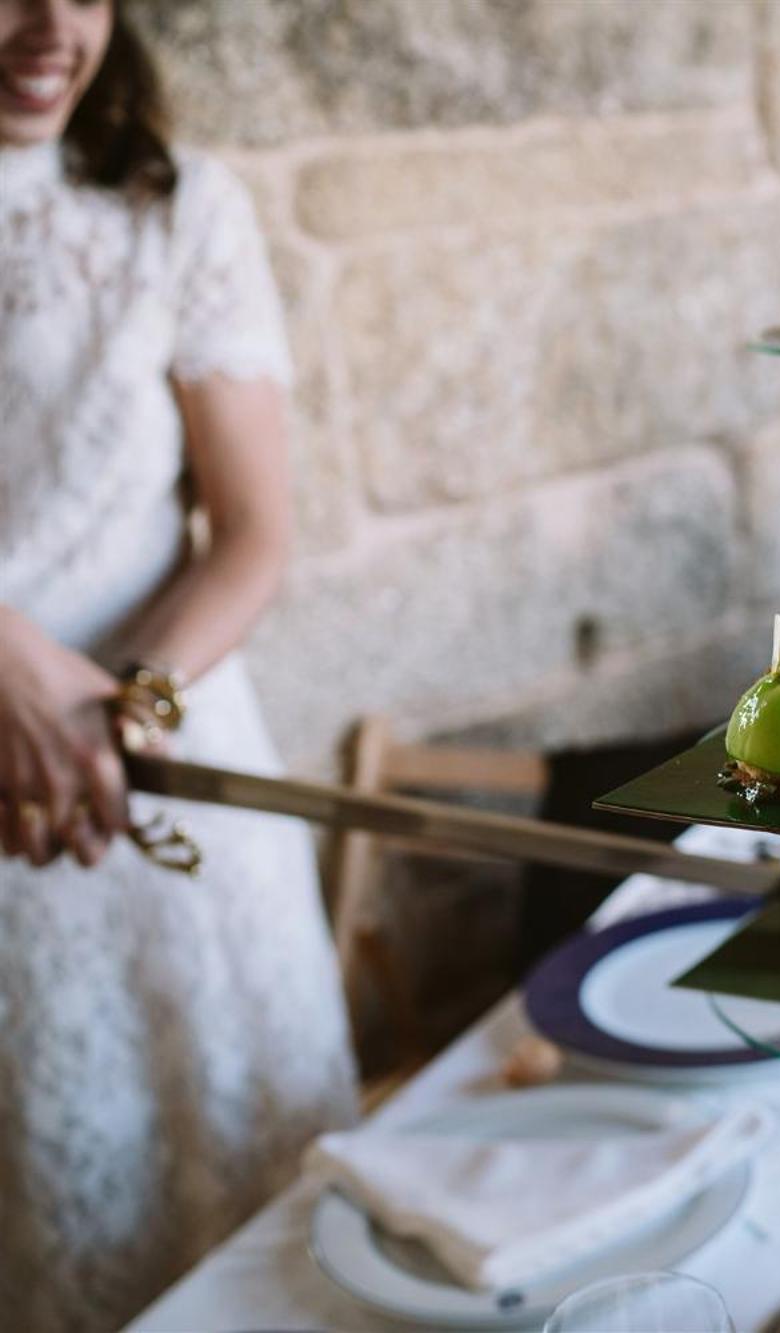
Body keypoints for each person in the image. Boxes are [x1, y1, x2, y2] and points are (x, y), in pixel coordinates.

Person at [0, 3, 356, 1328]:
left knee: (257, 1204)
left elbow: (252, 530)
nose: (49, 27)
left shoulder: (181, 206)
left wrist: (111, 715)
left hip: (162, 768)